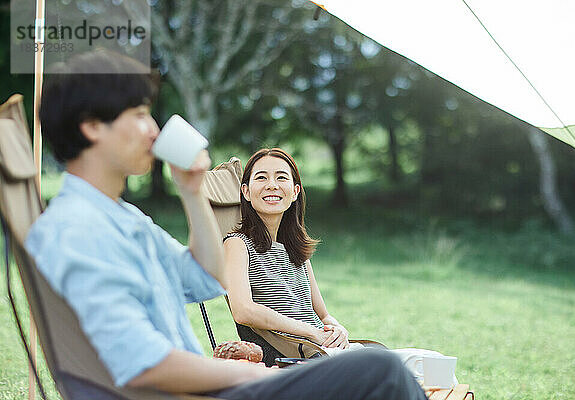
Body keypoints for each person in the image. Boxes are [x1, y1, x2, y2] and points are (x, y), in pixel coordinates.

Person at [25, 49, 427, 400]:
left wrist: (192, 191)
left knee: (383, 370)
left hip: (215, 387)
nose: (154, 130)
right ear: (92, 125)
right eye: (140, 115)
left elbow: (205, 280)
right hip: (197, 392)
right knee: (382, 371)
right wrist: (251, 372)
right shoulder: (77, 231)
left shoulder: (122, 219)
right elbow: (144, 364)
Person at [223, 148, 457, 382]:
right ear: (246, 191)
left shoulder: (295, 250)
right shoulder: (238, 244)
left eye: (281, 177)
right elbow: (243, 311)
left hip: (330, 352)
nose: (272, 185)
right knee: (401, 373)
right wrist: (310, 332)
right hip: (299, 361)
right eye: (261, 177)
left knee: (437, 366)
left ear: (295, 192)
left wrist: (338, 329)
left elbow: (323, 315)